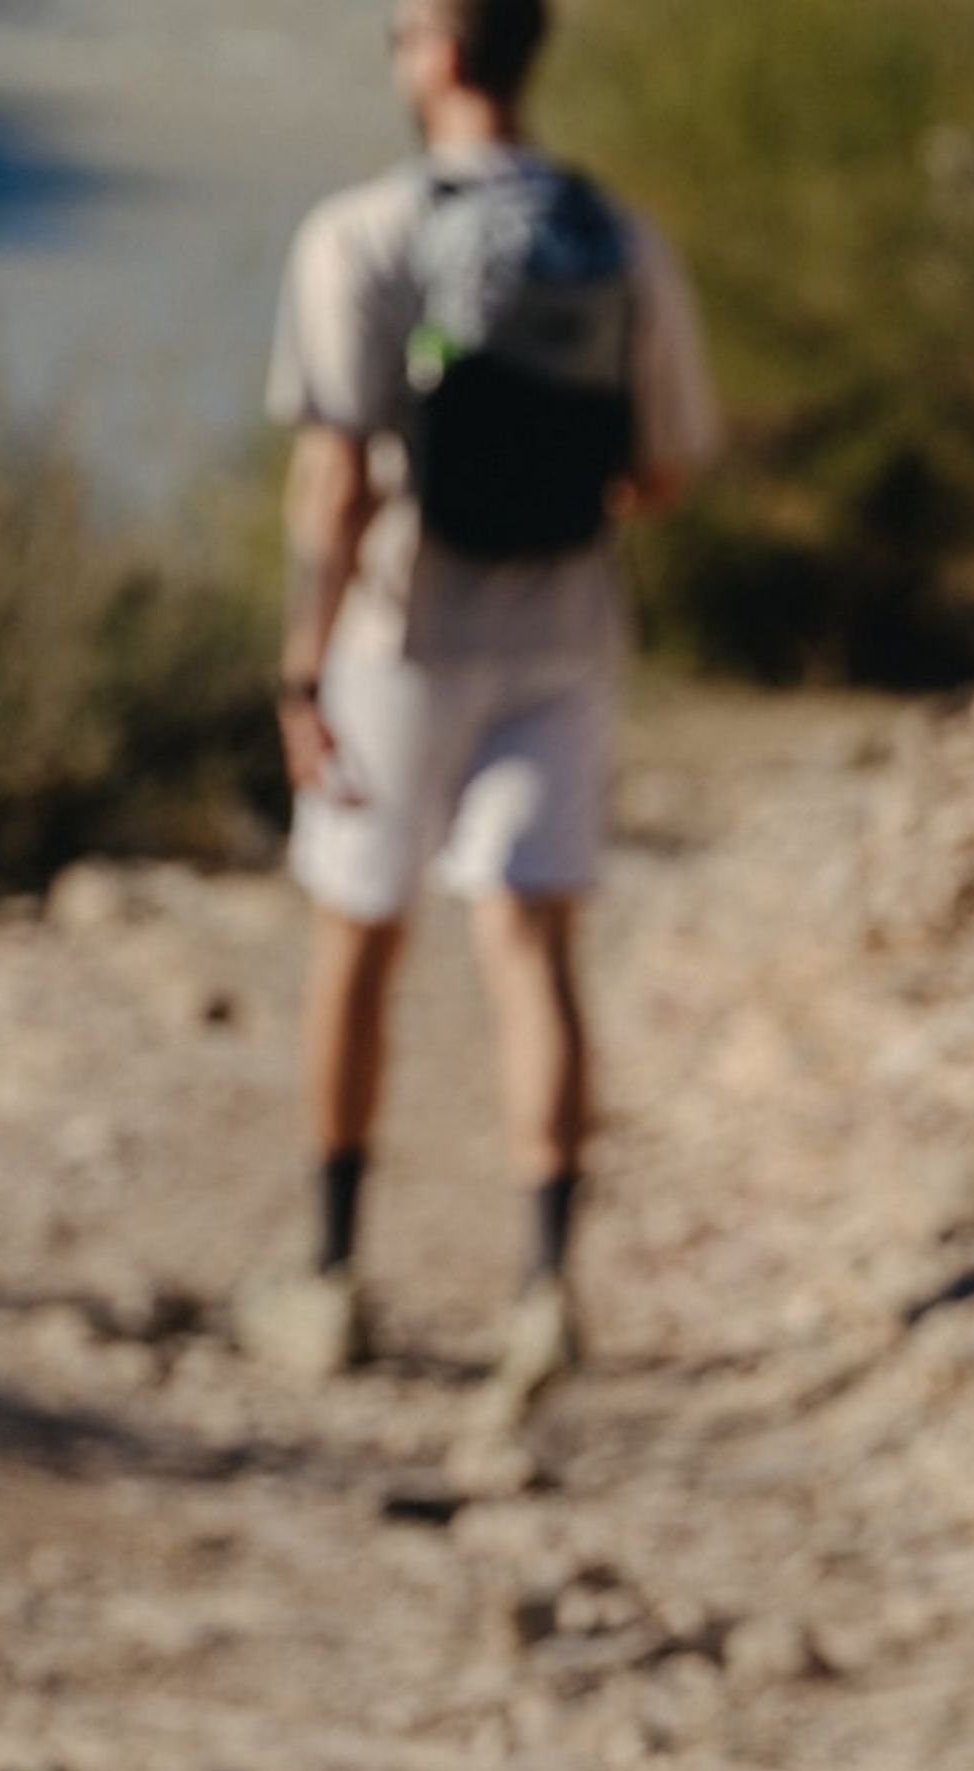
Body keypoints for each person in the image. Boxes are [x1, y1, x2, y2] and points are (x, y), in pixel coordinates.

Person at [238, 0, 718, 1407]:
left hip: (403, 633)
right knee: (532, 941)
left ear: (441, 54)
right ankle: (548, 1293)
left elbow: (335, 478)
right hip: (566, 629)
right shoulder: (619, 239)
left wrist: (298, 666)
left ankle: (330, 1278)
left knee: (361, 936)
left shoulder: (358, 237)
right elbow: (672, 463)